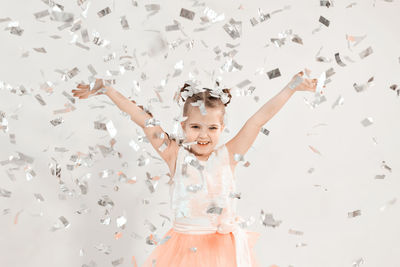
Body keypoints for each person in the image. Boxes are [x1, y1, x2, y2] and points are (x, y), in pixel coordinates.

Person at [71, 71, 322, 267]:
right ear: (183, 126)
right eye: (195, 127)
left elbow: (258, 120)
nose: (203, 135)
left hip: (223, 253)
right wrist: (107, 90)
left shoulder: (228, 156)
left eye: (212, 128)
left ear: (222, 128)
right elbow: (145, 121)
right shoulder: (174, 155)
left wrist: (291, 87)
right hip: (182, 251)